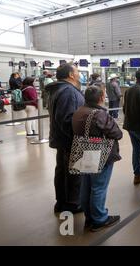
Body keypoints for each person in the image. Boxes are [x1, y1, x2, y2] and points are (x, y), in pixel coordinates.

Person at [72, 84, 122, 232]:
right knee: (99, 187)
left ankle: (90, 217)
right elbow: (117, 133)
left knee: (86, 186)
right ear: (101, 98)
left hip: (82, 153)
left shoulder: (79, 111)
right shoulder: (98, 114)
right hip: (100, 154)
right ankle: (99, 219)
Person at [46, 63, 85, 214]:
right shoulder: (68, 91)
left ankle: (62, 202)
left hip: (61, 139)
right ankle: (72, 204)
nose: (79, 73)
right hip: (70, 141)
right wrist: (78, 140)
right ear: (70, 75)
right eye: (77, 71)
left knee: (62, 171)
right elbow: (67, 120)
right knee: (73, 173)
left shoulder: (57, 90)